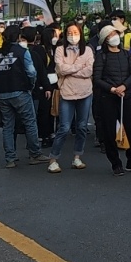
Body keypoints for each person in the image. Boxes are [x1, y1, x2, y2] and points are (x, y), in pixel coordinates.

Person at [0, 25, 49, 168]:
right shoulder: (23, 51)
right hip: (21, 91)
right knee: (30, 123)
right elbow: (32, 72)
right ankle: (34, 154)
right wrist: (30, 86)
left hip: (3, 93)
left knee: (8, 126)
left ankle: (10, 158)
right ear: (18, 37)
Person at [92, 25, 131, 176]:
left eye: (116, 33)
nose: (115, 37)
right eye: (111, 35)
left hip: (126, 96)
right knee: (109, 131)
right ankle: (115, 163)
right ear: (105, 40)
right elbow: (97, 78)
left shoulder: (126, 54)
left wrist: (124, 86)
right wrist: (112, 89)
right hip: (108, 98)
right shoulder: (101, 56)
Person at [48, 23, 95, 173]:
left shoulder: (87, 50)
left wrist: (70, 70)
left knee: (81, 127)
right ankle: (53, 159)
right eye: (69, 32)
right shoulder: (60, 49)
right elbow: (60, 69)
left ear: (80, 33)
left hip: (85, 92)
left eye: (75, 32)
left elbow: (89, 71)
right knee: (64, 127)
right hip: (67, 92)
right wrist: (78, 68)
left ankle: (77, 157)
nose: (72, 35)